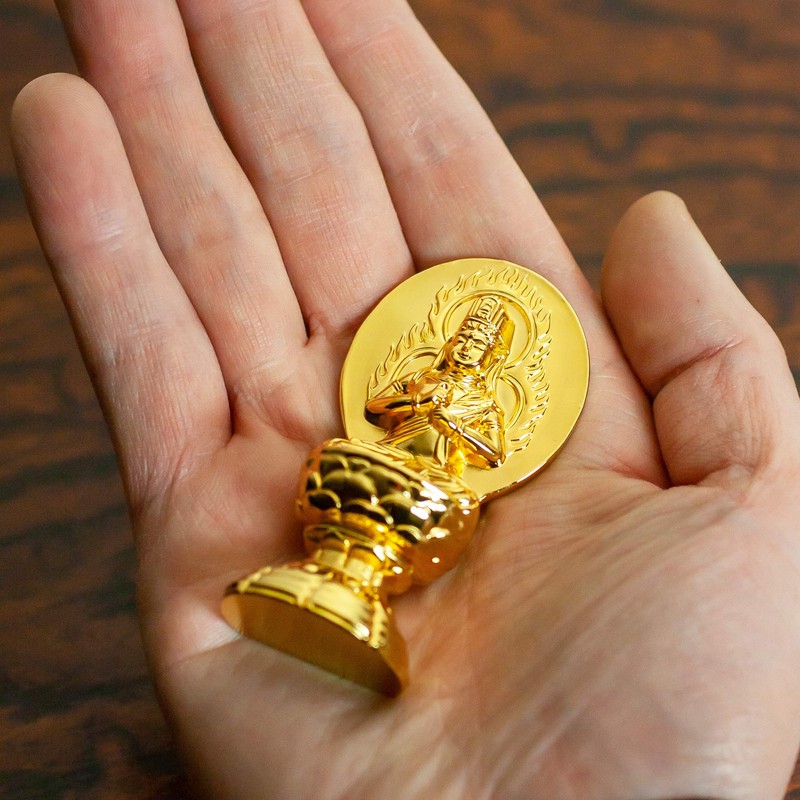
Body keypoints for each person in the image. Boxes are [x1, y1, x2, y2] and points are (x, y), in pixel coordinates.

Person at [11, 1, 800, 798]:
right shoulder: (422, 369)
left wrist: (453, 418)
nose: (469, 346)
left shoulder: (487, 399)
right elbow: (382, 408)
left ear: (497, 354)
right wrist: (420, 399)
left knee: (423, 497)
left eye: (484, 341)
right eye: (466, 333)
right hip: (379, 468)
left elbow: (487, 450)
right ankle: (331, 573)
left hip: (424, 492)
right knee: (340, 461)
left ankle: (359, 585)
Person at [365, 295, 514, 473]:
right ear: (450, 343)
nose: (466, 348)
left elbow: (495, 455)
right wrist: (417, 401)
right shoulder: (420, 378)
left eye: (477, 345)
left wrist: (455, 427)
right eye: (461, 340)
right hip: (388, 451)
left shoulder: (485, 406)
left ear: (491, 355)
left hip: (434, 470)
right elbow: (371, 409)